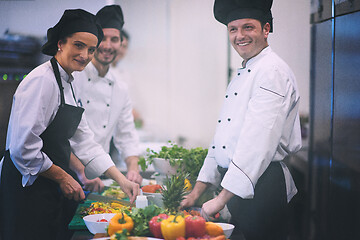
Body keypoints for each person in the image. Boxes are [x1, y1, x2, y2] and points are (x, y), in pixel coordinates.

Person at [0, 9, 139, 240]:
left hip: (46, 185)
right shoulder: (41, 81)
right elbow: (23, 148)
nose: (85, 55)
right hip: (26, 187)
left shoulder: (67, 81)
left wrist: (122, 180)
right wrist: (64, 177)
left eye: (90, 49)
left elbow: (84, 139)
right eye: (78, 45)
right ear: (60, 43)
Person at [180, 0, 302, 239]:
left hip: (263, 189)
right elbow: (222, 139)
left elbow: (257, 144)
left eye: (248, 27)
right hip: (238, 187)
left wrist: (220, 199)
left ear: (266, 29)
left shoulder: (271, 72)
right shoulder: (247, 70)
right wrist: (196, 192)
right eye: (233, 29)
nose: (239, 36)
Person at [72, 5, 143, 185]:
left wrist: (133, 169)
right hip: (67, 172)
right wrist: (81, 171)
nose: (108, 46)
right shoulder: (73, 78)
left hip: (99, 174)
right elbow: (59, 137)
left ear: (120, 43)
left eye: (115, 39)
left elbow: (127, 134)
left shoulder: (120, 87)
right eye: (103, 38)